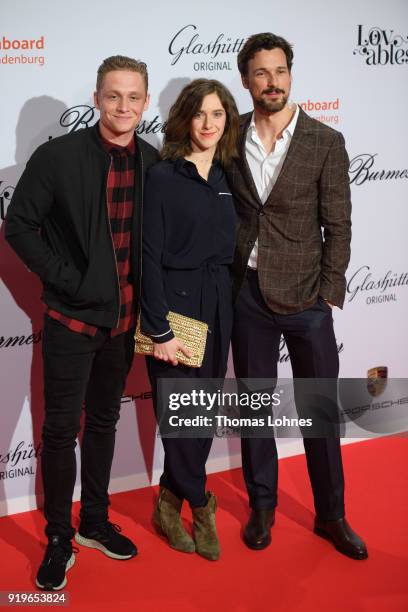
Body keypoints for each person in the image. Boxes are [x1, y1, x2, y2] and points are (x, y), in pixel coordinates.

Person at [5, 55, 159, 590]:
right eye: (113, 96)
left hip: (122, 325)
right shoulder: (58, 156)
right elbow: (19, 225)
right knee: (58, 429)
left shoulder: (152, 162)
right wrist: (67, 280)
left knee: (103, 425)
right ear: (96, 99)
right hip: (71, 321)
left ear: (145, 101)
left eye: (133, 97)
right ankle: (56, 535)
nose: (123, 106)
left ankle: (93, 522)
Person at [226, 33, 368, 559]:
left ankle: (331, 514)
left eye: (280, 71)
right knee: (255, 408)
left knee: (318, 410)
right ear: (246, 80)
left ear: (291, 73)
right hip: (247, 295)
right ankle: (262, 505)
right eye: (261, 73)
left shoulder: (324, 141)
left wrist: (328, 292)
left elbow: (339, 224)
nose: (273, 82)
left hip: (308, 298)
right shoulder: (228, 135)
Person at [140, 78, 239, 561]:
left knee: (201, 416)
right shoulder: (161, 176)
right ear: (185, 118)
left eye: (217, 114)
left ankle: (167, 502)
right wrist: (158, 328)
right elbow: (147, 256)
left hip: (219, 303)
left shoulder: (229, 175)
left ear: (228, 120)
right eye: (200, 114)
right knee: (179, 417)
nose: (208, 124)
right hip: (174, 308)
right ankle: (202, 505)